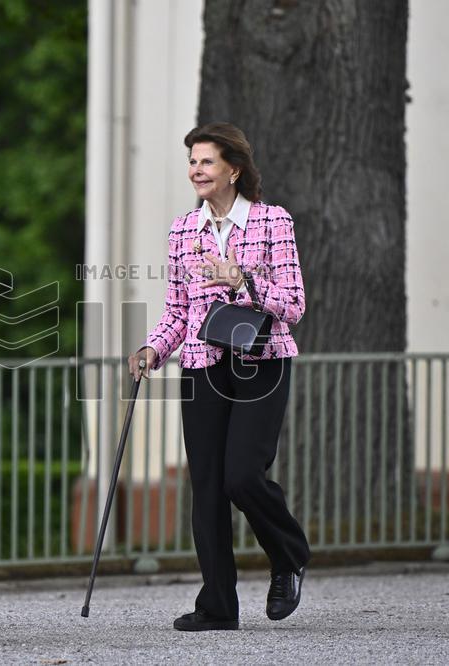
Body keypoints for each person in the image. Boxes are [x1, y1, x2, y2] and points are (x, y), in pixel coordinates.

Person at [128, 122, 310, 631]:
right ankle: (217, 607)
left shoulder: (273, 221)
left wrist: (243, 279)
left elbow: (293, 305)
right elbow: (178, 311)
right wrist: (152, 350)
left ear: (234, 169)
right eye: (192, 161)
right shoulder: (183, 230)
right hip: (204, 367)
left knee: (241, 477)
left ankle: (289, 554)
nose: (196, 170)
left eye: (206, 161)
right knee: (207, 487)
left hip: (262, 363)